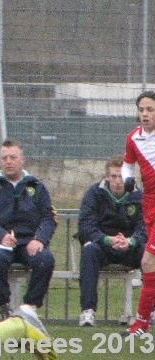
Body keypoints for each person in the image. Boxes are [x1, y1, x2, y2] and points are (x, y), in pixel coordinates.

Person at [0, 139, 57, 320]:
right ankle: (3, 306)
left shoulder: (36, 186)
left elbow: (49, 217)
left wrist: (39, 239)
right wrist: (0, 235)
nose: (8, 161)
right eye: (4, 158)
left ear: (22, 160)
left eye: (13, 157)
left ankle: (29, 308)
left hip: (28, 242)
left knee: (45, 260)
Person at [77, 155, 146, 326]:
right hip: (103, 247)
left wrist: (131, 241)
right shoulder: (93, 194)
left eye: (121, 176)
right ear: (107, 177)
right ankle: (88, 311)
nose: (117, 181)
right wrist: (107, 239)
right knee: (88, 250)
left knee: (150, 252)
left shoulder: (139, 197)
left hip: (130, 248)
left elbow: (146, 227)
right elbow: (85, 227)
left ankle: (150, 311)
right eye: (113, 176)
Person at [121, 90, 155, 336]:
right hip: (149, 204)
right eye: (141, 110)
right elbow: (127, 164)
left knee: (148, 261)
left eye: (150, 110)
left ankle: (140, 324)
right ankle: (143, 322)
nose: (144, 114)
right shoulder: (133, 138)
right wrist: (128, 180)